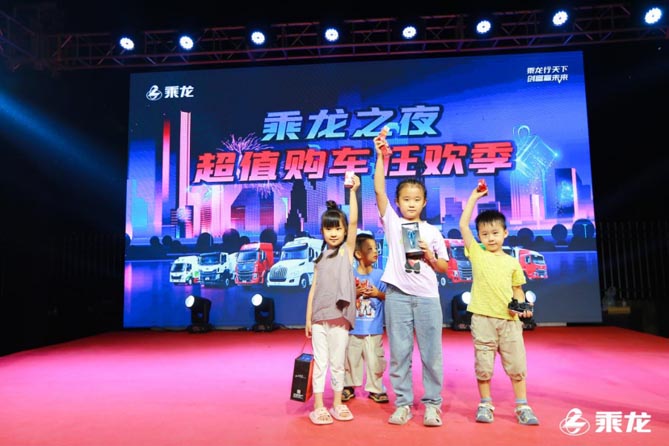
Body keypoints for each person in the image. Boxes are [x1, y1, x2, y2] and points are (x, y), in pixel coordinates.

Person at [372, 130, 450, 427]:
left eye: (417, 199)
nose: (411, 204)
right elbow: (379, 190)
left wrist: (429, 256)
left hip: (428, 298)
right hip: (397, 297)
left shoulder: (432, 231)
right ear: (398, 202)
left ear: (425, 201)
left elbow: (444, 267)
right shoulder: (392, 223)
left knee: (432, 354)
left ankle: (432, 405)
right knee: (399, 354)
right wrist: (380, 157)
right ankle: (403, 404)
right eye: (406, 199)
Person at [458, 186, 540, 426]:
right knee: (483, 365)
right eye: (485, 234)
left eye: (495, 233)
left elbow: (518, 289)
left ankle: (522, 406)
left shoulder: (513, 262)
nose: (490, 238)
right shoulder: (477, 253)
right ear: (479, 236)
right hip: (482, 319)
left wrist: (522, 306)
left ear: (505, 233)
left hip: (509, 321)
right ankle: (485, 404)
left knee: (517, 364)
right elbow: (463, 226)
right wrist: (473, 197)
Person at [305, 174, 360, 425]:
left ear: (345, 230)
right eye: (329, 228)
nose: (334, 233)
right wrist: (308, 319)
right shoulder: (319, 260)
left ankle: (337, 403)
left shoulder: (347, 252)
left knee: (338, 363)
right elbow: (313, 290)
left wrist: (353, 192)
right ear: (322, 231)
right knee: (321, 363)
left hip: (340, 318)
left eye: (338, 228)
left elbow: (355, 220)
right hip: (319, 319)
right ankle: (318, 406)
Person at [342, 232, 388, 404]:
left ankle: (376, 388)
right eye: (370, 249)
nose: (375, 252)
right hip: (353, 328)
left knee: (375, 360)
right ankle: (348, 386)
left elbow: (390, 297)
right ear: (358, 254)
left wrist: (378, 294)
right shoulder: (350, 275)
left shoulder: (380, 275)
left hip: (373, 328)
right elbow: (341, 300)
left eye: (376, 248)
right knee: (350, 359)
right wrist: (354, 293)